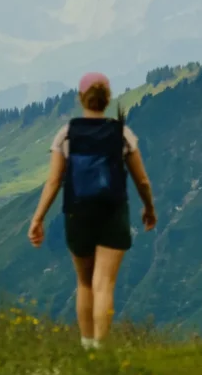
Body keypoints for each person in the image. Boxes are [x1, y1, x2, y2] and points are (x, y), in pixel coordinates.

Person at [28, 72, 157, 350]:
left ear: (80, 98)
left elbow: (54, 181)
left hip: (78, 213)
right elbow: (142, 180)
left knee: (84, 283)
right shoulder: (122, 133)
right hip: (113, 212)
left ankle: (87, 347)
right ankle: (101, 348)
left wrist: (37, 219)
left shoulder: (66, 134)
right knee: (104, 284)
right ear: (108, 99)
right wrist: (149, 208)